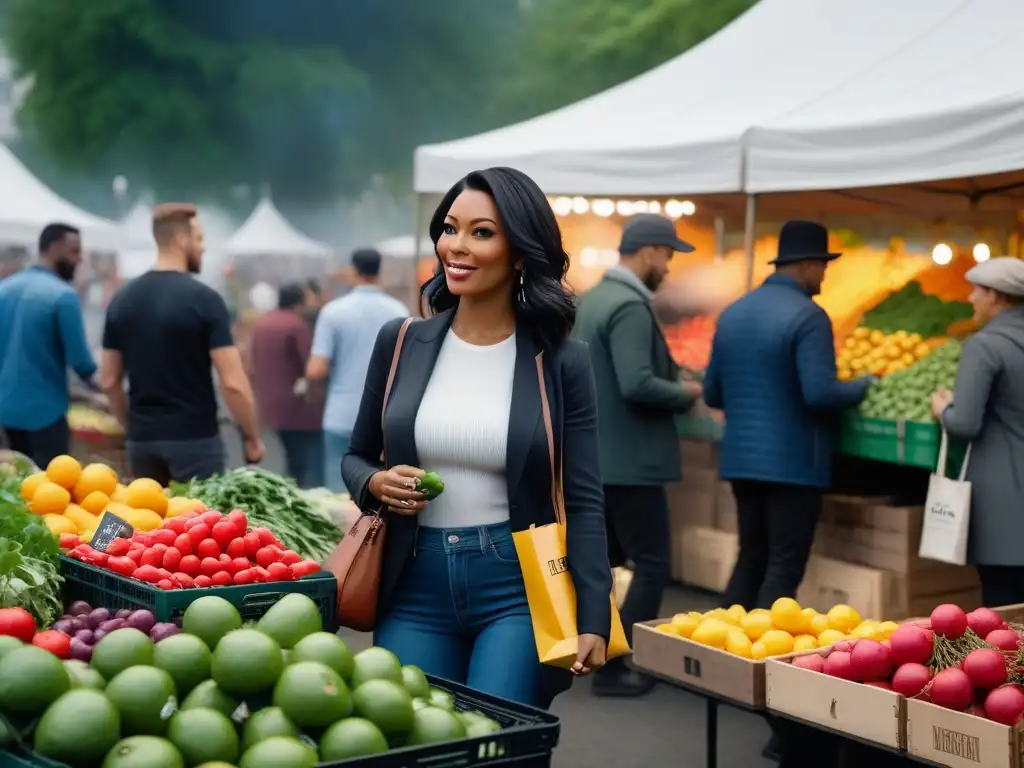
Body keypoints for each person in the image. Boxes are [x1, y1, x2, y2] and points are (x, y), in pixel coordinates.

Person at [341, 167, 611, 708]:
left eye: (481, 232)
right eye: (449, 228)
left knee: (497, 744)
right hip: (412, 580)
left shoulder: (561, 362)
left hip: (517, 587)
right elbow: (355, 457)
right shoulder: (400, 342)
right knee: (415, 737)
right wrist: (375, 482)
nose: (456, 247)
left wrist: (596, 615)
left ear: (519, 252)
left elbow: (582, 499)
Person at [705, 220, 872, 611]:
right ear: (807, 264)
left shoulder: (733, 312)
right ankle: (763, 664)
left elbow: (713, 392)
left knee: (750, 557)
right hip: (792, 465)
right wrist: (864, 386)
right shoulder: (809, 316)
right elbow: (820, 393)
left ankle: (721, 656)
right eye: (824, 267)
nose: (825, 276)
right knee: (783, 565)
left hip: (741, 461)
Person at [572, 213, 699, 697]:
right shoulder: (628, 305)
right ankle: (618, 665)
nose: (667, 266)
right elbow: (637, 382)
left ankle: (590, 652)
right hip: (630, 463)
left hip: (596, 457)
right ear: (648, 252)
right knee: (650, 563)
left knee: (602, 564)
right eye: (667, 255)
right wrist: (685, 392)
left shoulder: (594, 298)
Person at [99, 203, 264, 485]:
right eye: (199, 239)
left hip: (142, 443)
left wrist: (133, 427)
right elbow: (233, 382)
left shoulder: (122, 299)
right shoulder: (205, 300)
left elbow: (108, 380)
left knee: (147, 524)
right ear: (181, 240)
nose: (203, 249)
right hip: (195, 442)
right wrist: (252, 438)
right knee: (198, 525)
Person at [931, 257, 1024, 607]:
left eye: (976, 291)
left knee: (1004, 623)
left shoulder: (985, 346)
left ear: (996, 296)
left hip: (1003, 508)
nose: (970, 298)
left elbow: (965, 423)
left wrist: (945, 410)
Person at [307, 248, 407, 493]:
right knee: (377, 492)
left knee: (338, 496)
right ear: (378, 271)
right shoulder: (399, 311)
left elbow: (316, 369)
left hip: (341, 414)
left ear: (353, 271)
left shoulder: (333, 312)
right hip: (386, 417)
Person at [0, 224, 97, 466]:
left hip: (6, 412)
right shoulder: (63, 296)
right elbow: (82, 363)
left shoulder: (4, 289)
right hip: (46, 415)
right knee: (51, 491)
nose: (79, 259)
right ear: (53, 248)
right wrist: (108, 390)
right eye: (74, 251)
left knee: (13, 487)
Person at [249, 282, 323, 489]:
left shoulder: (262, 323)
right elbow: (309, 363)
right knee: (304, 461)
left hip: (268, 403)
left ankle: (288, 489)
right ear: (299, 301)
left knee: (289, 455)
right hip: (296, 407)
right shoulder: (296, 325)